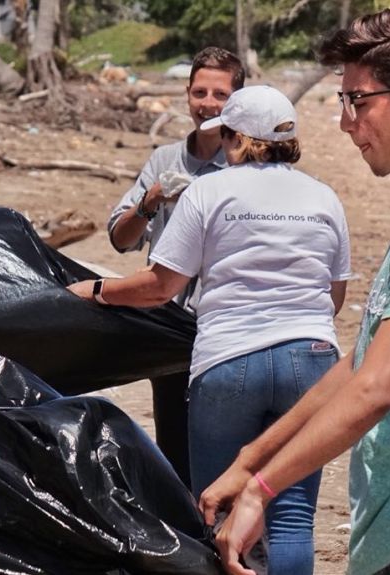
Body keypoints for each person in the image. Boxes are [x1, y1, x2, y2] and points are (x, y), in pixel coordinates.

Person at [198, 7, 390, 575]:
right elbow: (359, 364)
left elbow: (374, 391)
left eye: (357, 102)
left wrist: (262, 489)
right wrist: (252, 459)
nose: (345, 123)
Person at [73, 84, 352, 575]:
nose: (222, 144)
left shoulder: (210, 190)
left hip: (230, 361)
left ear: (240, 139)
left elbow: (161, 286)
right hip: (311, 360)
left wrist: (95, 291)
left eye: (225, 135)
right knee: (291, 519)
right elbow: (335, 296)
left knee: (219, 512)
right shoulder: (324, 196)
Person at [106, 46, 244, 488]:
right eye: (200, 92)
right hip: (167, 326)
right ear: (186, 95)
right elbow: (120, 238)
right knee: (175, 450)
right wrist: (149, 203)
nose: (209, 103)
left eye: (221, 94)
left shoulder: (248, 165)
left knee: (226, 452)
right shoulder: (165, 161)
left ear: (237, 100)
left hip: (225, 327)